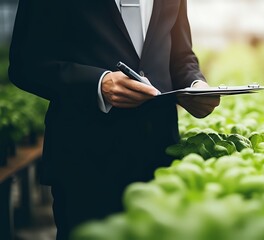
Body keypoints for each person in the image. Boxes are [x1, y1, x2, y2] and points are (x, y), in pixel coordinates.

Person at [8, 0, 220, 239]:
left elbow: (181, 55)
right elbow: (25, 64)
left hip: (161, 158)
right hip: (85, 165)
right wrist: (99, 83)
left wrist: (195, 85)